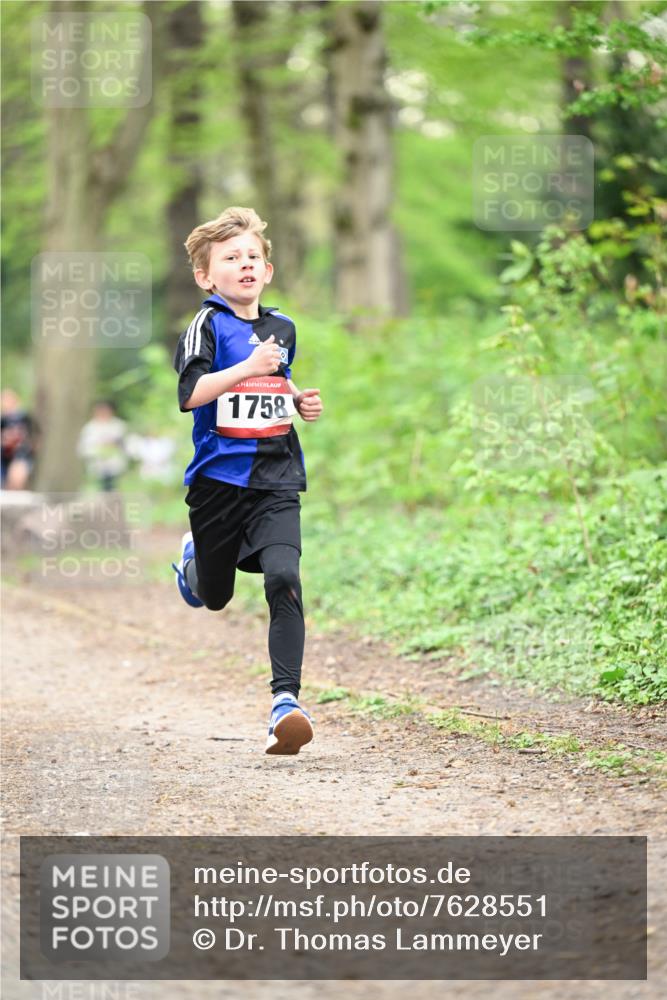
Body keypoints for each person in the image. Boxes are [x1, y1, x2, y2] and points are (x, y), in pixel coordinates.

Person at [172, 206, 323, 755]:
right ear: (206, 276)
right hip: (218, 482)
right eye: (231, 259)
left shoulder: (283, 329)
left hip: (277, 475)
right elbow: (191, 395)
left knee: (284, 575)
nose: (245, 265)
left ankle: (286, 701)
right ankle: (195, 562)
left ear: (268, 269)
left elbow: (274, 382)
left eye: (252, 257)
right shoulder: (205, 324)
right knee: (215, 597)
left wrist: (297, 397)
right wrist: (247, 369)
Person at [77, 400, 128, 492]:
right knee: (100, 489)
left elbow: (125, 444)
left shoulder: (119, 425)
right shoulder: (90, 427)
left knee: (114, 488)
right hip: (97, 463)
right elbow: (84, 447)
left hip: (115, 463)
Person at [1, 389, 36, 490]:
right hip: (4, 458)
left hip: (21, 456)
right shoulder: (3, 420)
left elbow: (34, 437)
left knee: (17, 477)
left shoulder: (25, 418)